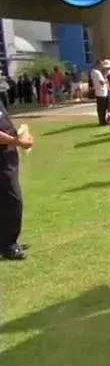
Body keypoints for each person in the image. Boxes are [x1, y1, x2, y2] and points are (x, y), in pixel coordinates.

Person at [0, 98, 33, 260]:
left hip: (8, 154)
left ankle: (7, 240)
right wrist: (17, 141)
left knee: (6, 200)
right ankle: (8, 244)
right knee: (12, 199)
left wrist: (21, 134)